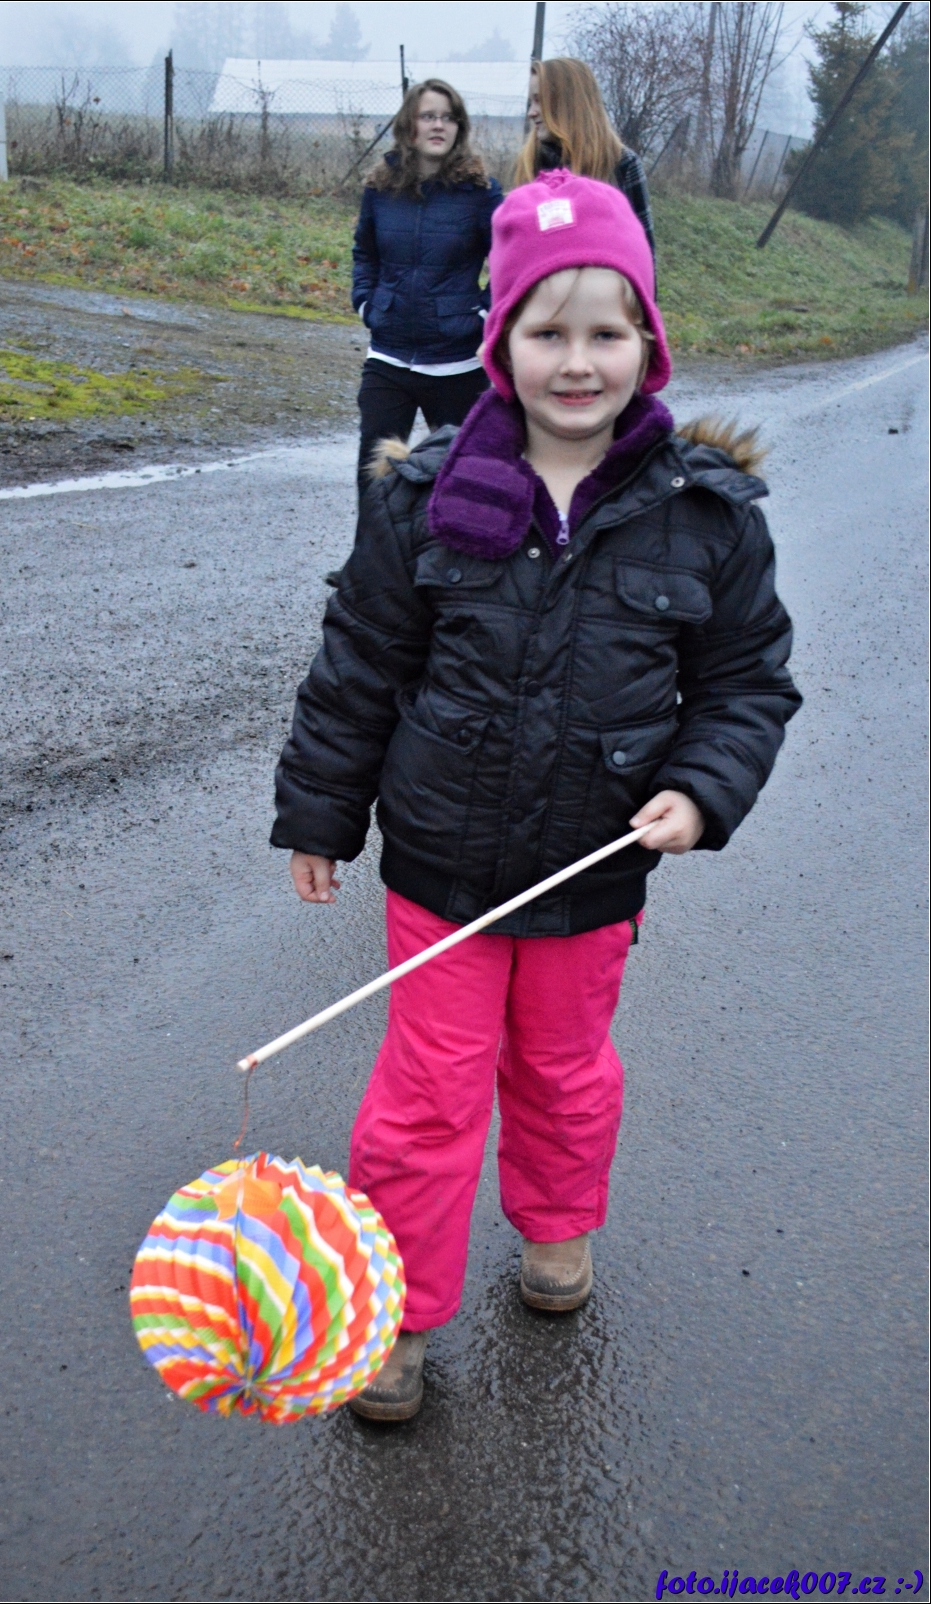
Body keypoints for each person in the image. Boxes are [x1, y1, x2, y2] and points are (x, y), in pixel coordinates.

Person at [271, 170, 800, 1421]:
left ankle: (558, 1225)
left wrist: (700, 790)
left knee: (563, 1071)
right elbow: (360, 664)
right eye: (547, 330)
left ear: (648, 343)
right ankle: (396, 1308)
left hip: (592, 869)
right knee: (427, 1094)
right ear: (499, 341)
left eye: (606, 331)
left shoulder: (706, 516)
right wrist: (320, 812)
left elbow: (746, 682)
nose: (578, 360)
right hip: (441, 869)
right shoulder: (423, 497)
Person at [350, 78, 503, 491]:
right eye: (428, 116)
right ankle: (373, 540)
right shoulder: (379, 189)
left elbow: (509, 262)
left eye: (448, 118)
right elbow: (365, 253)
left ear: (459, 128)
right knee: (374, 481)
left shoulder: (481, 193)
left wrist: (483, 315)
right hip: (389, 356)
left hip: (457, 361)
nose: (439, 125)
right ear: (409, 125)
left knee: (462, 482)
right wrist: (366, 304)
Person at [517, 57, 655, 257]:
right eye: (531, 102)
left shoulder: (622, 164)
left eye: (539, 101)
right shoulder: (530, 163)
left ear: (567, 103)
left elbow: (644, 257)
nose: (531, 112)